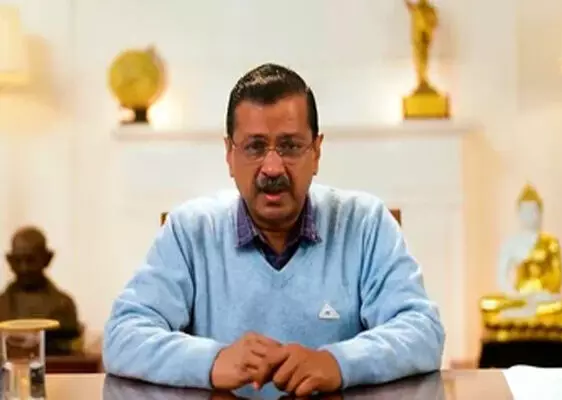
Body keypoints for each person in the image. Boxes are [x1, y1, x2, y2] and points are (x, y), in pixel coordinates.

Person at [102, 63, 445, 397]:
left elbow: (422, 330)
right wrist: (212, 360)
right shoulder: (190, 231)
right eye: (254, 147)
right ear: (229, 154)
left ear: (316, 152)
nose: (272, 167)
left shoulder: (364, 222)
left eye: (290, 146)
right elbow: (122, 335)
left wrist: (337, 363)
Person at [0, 226, 83, 354]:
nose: (24, 268)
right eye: (17, 260)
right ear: (9, 260)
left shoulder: (63, 305)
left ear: (47, 258)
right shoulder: (2, 304)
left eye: (31, 260)